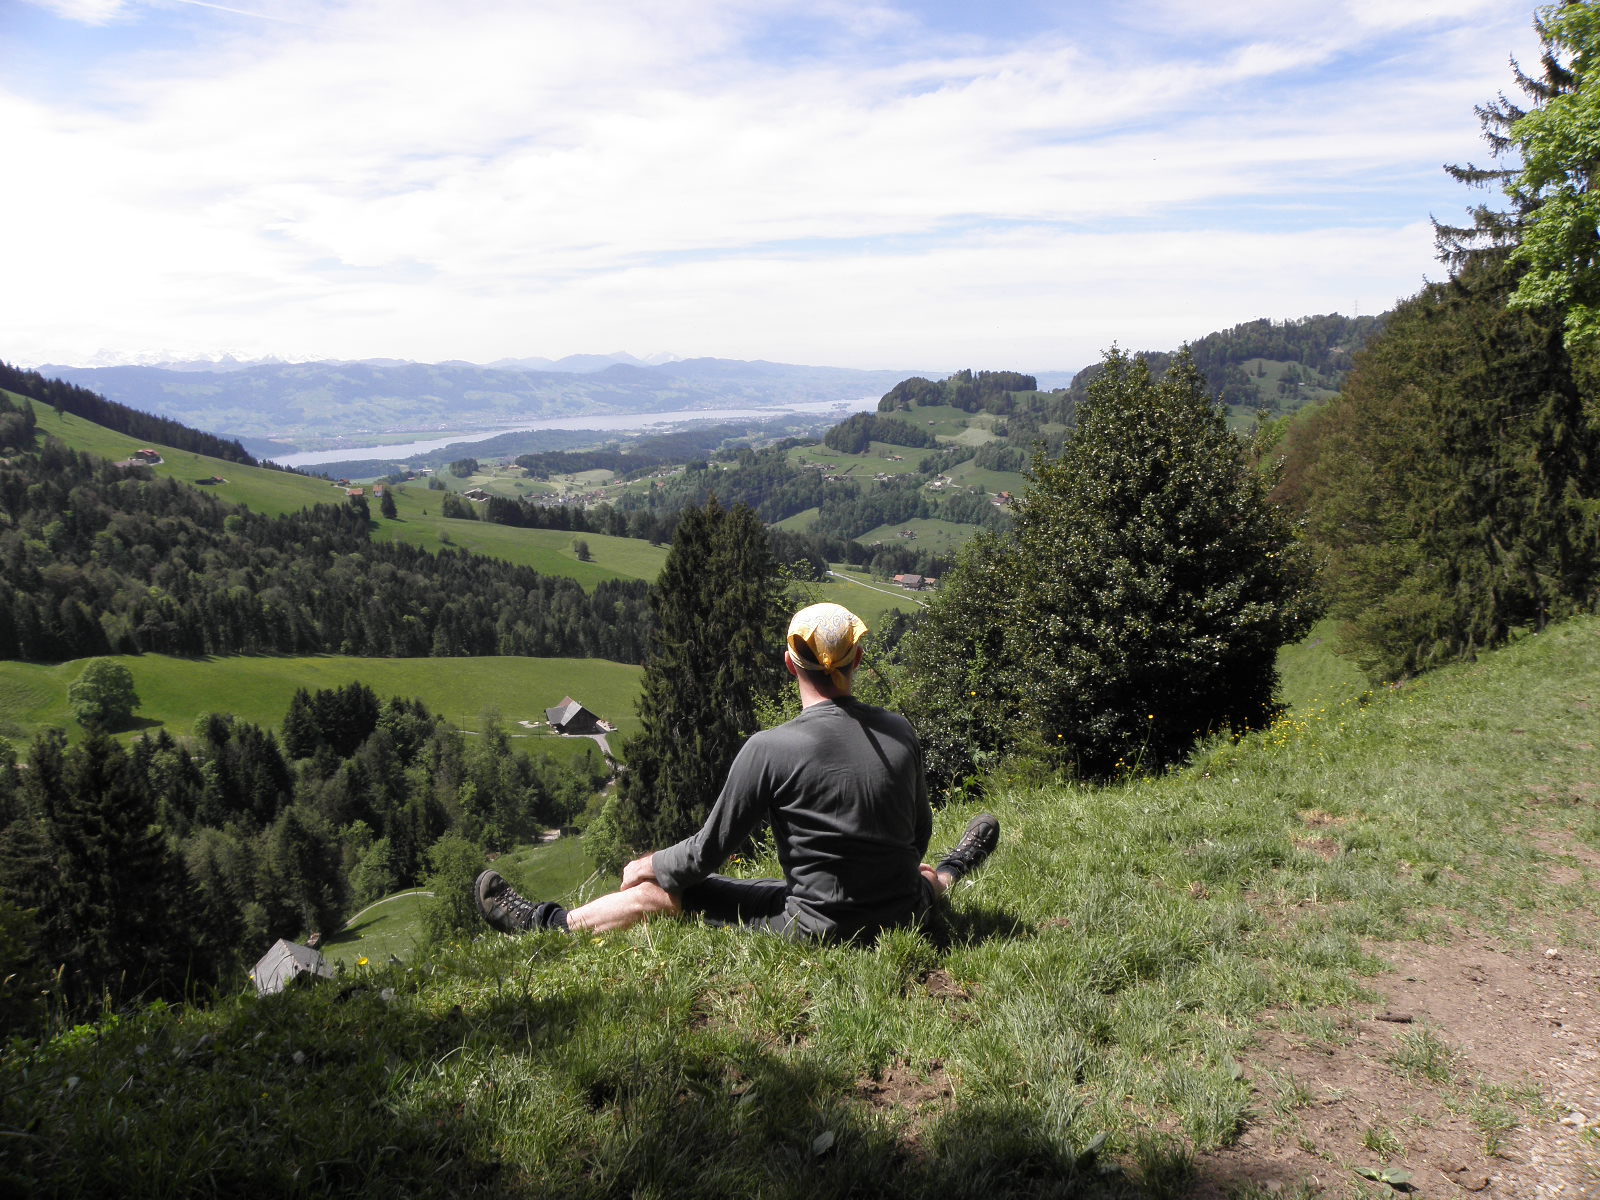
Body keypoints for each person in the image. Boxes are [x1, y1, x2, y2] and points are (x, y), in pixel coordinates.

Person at [474, 602, 999, 942]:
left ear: (790, 665)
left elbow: (705, 855)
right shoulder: (900, 731)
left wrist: (651, 862)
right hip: (901, 913)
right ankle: (959, 864)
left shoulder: (769, 748)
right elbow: (918, 837)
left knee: (666, 894)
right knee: (928, 876)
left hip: (818, 926)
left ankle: (542, 925)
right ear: (857, 657)